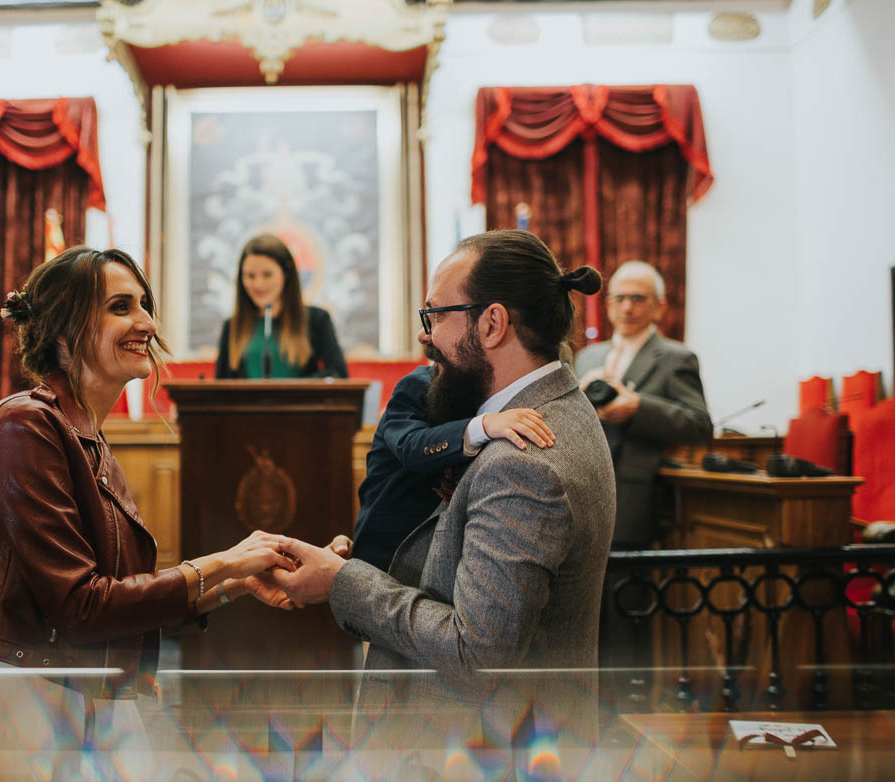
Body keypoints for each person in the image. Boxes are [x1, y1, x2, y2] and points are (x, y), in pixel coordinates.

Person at [0, 246, 297, 774]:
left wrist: (235, 583)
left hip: (83, 691)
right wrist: (225, 562)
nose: (146, 321)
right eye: (121, 307)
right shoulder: (24, 426)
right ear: (63, 332)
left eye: (144, 305)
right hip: (18, 703)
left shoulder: (90, 439)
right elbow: (81, 605)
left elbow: (123, 593)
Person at [265, 230, 616, 751]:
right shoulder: (562, 407)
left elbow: (475, 652)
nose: (427, 336)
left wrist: (341, 581)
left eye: (437, 316)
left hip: (481, 750)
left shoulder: (524, 464)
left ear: (492, 323)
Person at [352, 363, 554, 571]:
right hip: (391, 552)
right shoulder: (419, 384)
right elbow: (410, 446)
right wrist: (482, 426)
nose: (424, 336)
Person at [574, 260, 712, 550]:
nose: (627, 307)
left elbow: (699, 424)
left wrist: (639, 408)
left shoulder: (677, 358)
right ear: (608, 304)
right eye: (619, 298)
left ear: (659, 307)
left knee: (628, 590)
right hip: (582, 497)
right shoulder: (587, 358)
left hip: (632, 502)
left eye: (637, 298)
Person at [214, 234, 348, 379]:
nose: (258, 284)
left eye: (267, 275)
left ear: (286, 273)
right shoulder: (232, 326)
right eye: (250, 276)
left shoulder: (317, 320)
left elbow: (338, 373)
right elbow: (222, 385)